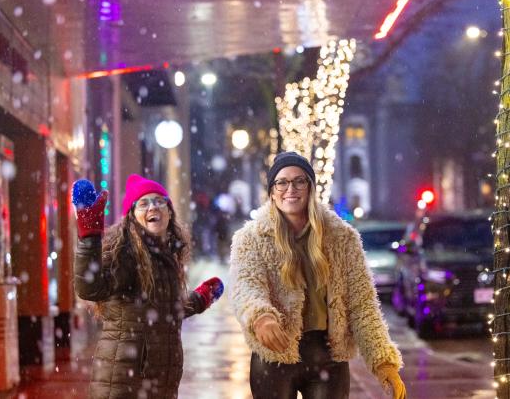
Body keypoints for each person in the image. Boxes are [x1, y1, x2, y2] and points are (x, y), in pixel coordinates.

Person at [229, 152, 405, 399]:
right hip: (274, 355)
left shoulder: (342, 238)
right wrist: (261, 318)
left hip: (327, 357)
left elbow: (363, 305)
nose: (290, 188)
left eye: (299, 181)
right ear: (271, 191)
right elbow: (245, 286)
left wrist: (383, 361)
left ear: (311, 188)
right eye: (282, 182)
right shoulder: (251, 239)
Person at [72, 174, 224, 399]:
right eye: (143, 203)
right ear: (132, 217)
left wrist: (200, 298)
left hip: (157, 383)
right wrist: (89, 238)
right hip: (124, 384)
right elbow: (89, 288)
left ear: (169, 212)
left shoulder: (166, 256)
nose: (153, 206)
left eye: (159, 201)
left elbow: (165, 310)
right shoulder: (126, 255)